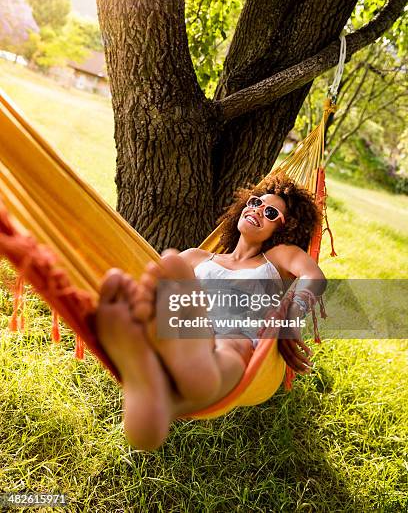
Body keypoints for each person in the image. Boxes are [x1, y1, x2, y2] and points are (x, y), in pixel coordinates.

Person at [95, 175, 326, 450]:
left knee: (233, 344)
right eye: (255, 203)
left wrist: (292, 310)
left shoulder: (277, 259)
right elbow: (157, 279)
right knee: (173, 266)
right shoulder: (198, 257)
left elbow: (314, 276)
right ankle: (162, 366)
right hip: (190, 327)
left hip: (235, 336)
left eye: (270, 213)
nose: (257, 210)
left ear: (285, 230)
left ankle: (163, 371)